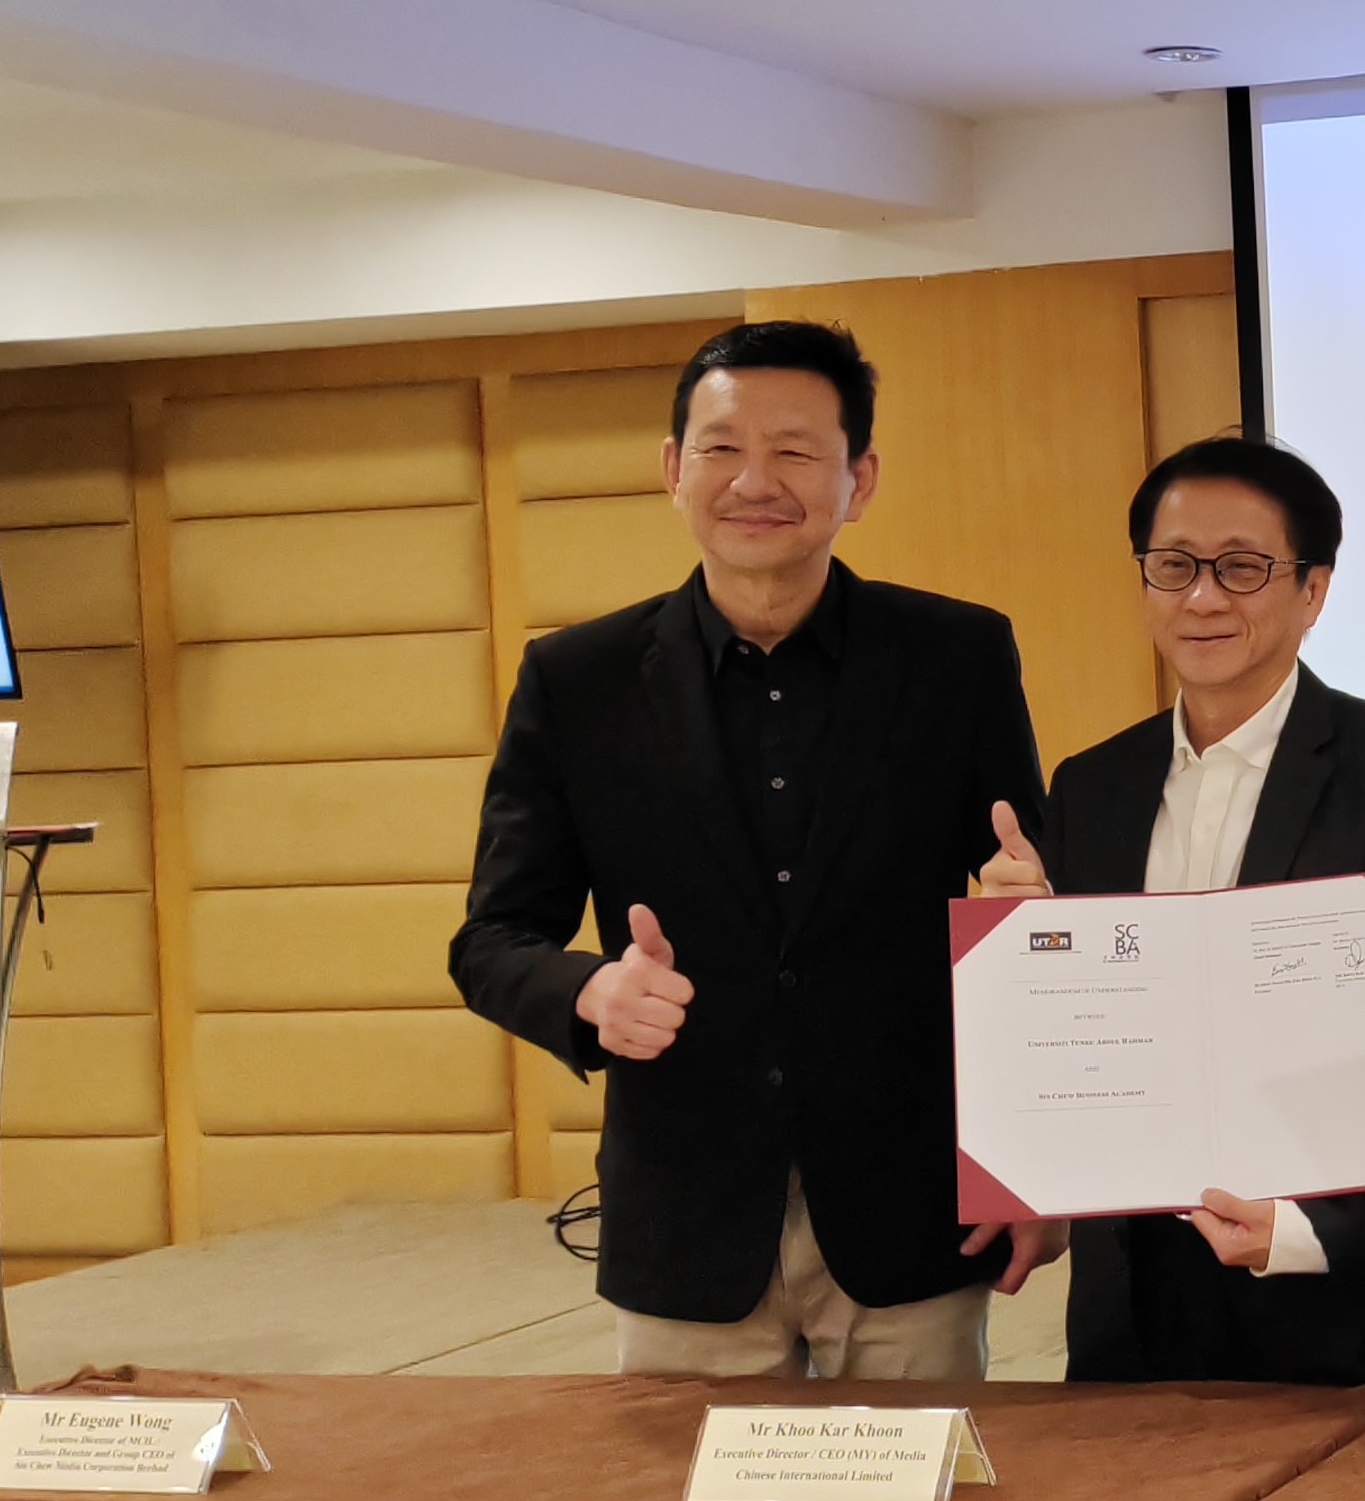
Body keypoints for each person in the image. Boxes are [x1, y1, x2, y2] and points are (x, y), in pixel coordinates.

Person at [452, 321, 1056, 1377]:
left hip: (910, 1200)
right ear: (673, 470)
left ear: (858, 479)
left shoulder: (956, 657)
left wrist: (1034, 909)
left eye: (796, 450)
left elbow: (1033, 917)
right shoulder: (578, 681)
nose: (754, 481)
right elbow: (493, 938)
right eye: (723, 448)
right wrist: (591, 994)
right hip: (687, 1209)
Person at [970, 434, 1365, 1394]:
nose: (1202, 597)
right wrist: (1021, 944)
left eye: (1243, 568)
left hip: (1351, 1319)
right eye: (1173, 567)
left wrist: (1301, 1233)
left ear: (1313, 591)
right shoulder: (1090, 786)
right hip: (1135, 1316)